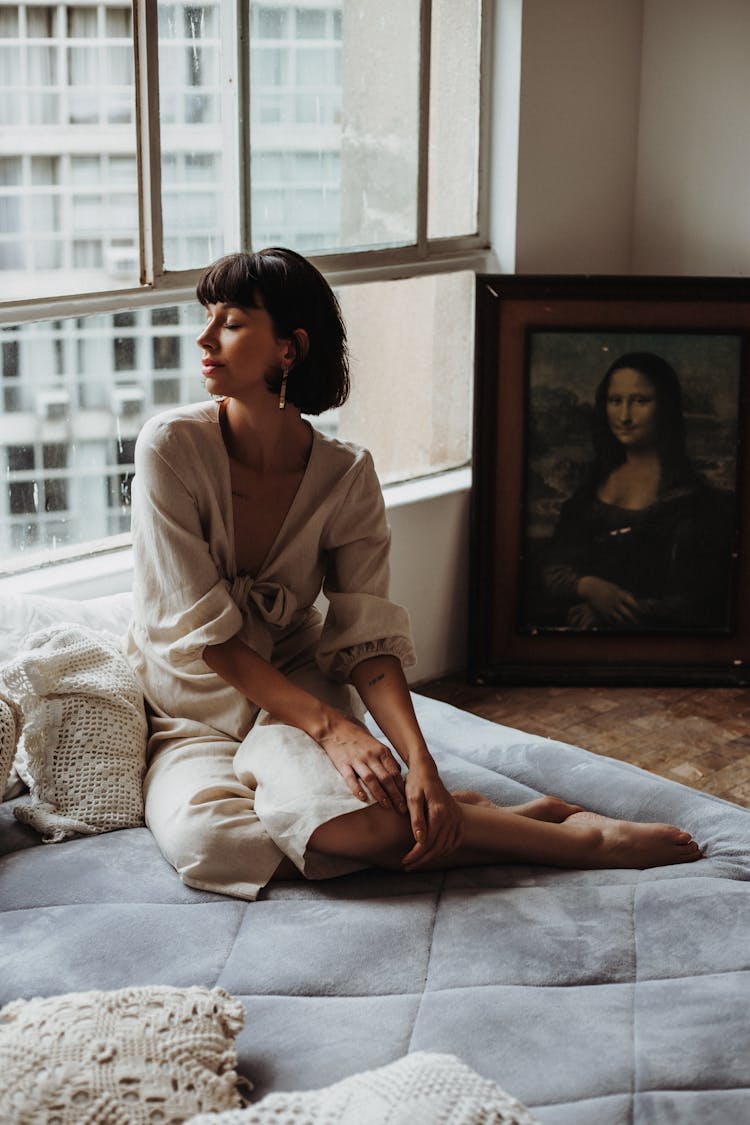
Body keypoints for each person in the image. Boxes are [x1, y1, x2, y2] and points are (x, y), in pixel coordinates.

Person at [126, 251, 702, 902]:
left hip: (293, 688)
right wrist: (332, 728)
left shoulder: (346, 475)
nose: (204, 338)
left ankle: (542, 833)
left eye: (229, 322)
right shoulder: (169, 449)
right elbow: (212, 640)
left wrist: (419, 761)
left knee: (356, 820)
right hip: (192, 711)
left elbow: (367, 641)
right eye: (207, 319)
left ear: (290, 349)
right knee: (208, 840)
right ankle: (546, 832)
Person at [542, 351, 734, 630]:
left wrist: (611, 611)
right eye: (615, 401)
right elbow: (552, 568)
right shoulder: (592, 487)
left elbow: (697, 600)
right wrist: (590, 587)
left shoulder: (692, 499)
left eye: (640, 401)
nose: (624, 416)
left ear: (665, 407)